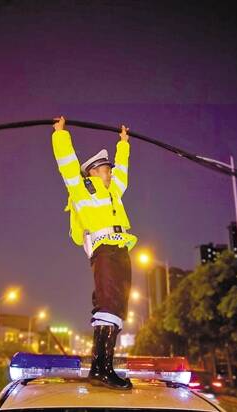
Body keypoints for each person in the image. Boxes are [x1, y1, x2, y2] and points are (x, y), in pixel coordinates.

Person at [52, 116, 137, 390]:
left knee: (116, 307)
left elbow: (123, 173)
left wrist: (123, 144)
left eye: (110, 169)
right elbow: (67, 165)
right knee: (109, 304)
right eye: (106, 169)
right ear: (93, 172)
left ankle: (101, 368)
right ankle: (101, 369)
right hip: (105, 249)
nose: (111, 173)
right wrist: (60, 134)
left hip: (121, 249)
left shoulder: (113, 192)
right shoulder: (82, 190)